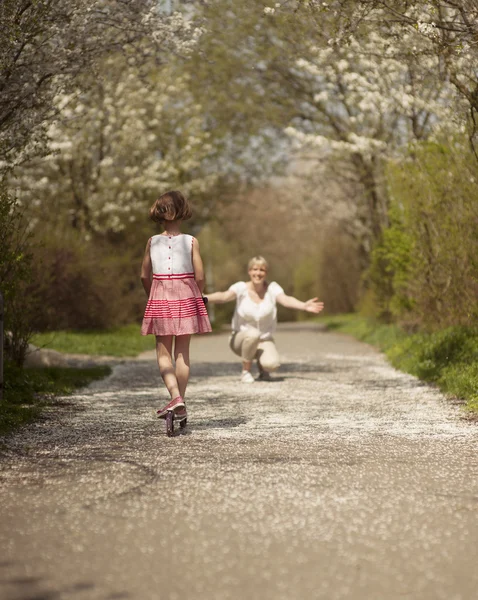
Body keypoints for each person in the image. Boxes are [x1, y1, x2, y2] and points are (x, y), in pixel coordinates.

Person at [140, 190, 211, 421]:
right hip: (187, 294)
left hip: (160, 293)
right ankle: (180, 402)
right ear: (183, 211)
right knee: (183, 354)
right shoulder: (191, 241)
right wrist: (196, 296)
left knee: (163, 354)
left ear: (159, 212)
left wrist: (152, 295)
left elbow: (143, 275)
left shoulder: (152, 242)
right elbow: (200, 275)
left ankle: (175, 398)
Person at [204, 256, 324, 383]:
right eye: (255, 269)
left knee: (272, 364)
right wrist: (204, 298)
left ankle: (263, 368)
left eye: (262, 270)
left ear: (266, 273)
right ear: (249, 271)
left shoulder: (272, 288)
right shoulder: (241, 288)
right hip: (240, 340)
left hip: (263, 340)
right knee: (253, 334)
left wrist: (303, 305)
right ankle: (246, 371)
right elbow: (224, 296)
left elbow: (285, 299)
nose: (258, 273)